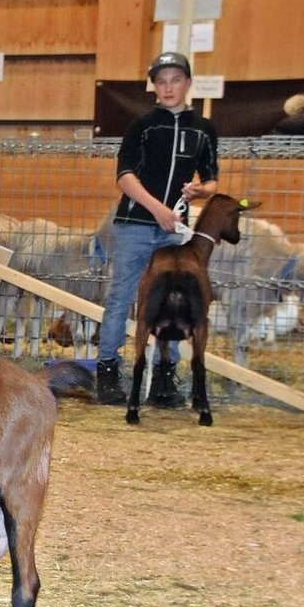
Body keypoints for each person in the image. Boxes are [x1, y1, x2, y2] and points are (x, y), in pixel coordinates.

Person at [94, 51, 218, 407]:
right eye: (161, 82)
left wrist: (199, 191)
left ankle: (165, 375)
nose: (168, 88)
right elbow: (125, 175)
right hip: (135, 223)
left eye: (175, 80)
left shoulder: (203, 130)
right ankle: (108, 371)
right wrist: (157, 210)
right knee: (121, 297)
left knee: (171, 299)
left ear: (188, 83)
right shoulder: (142, 126)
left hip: (173, 228)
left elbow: (211, 179)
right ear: (154, 87)